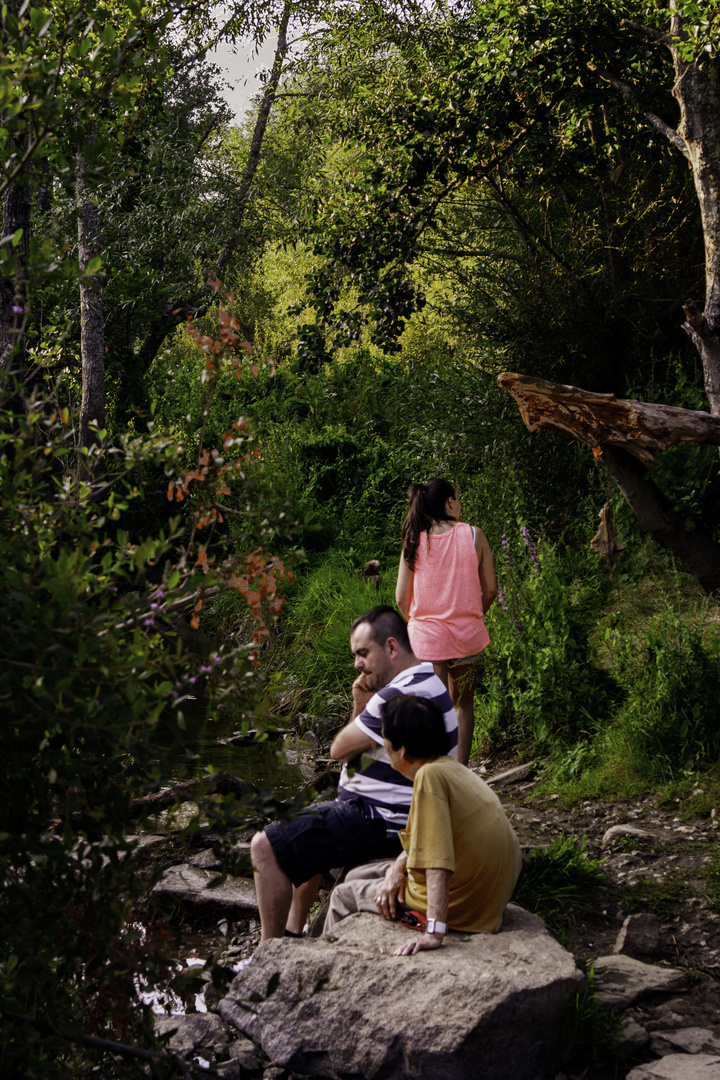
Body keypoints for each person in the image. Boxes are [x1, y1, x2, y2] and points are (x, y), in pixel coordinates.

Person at [250, 606, 458, 941]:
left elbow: (339, 749)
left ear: (392, 647)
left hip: (381, 820)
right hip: (395, 813)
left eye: (363, 653)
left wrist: (360, 705)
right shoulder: (429, 680)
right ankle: (293, 930)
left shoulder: (398, 696)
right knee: (310, 825)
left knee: (264, 846)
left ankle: (266, 956)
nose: (357, 664)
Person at [324, 693, 521, 956]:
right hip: (485, 899)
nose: (383, 745)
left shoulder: (428, 777)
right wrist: (396, 870)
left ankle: (321, 964)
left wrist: (434, 931)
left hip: (463, 906)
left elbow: (437, 858)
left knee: (343, 896)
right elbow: (425, 838)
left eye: (386, 740)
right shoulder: (449, 768)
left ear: (402, 750)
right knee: (355, 874)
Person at [395, 479, 497, 766]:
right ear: (450, 503)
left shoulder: (414, 539)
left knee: (432, 708)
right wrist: (474, 616)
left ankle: (434, 770)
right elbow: (490, 589)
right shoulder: (474, 536)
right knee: (463, 705)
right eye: (459, 498)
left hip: (428, 640)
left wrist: (420, 627)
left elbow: (402, 598)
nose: (460, 504)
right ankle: (460, 771)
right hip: (467, 635)